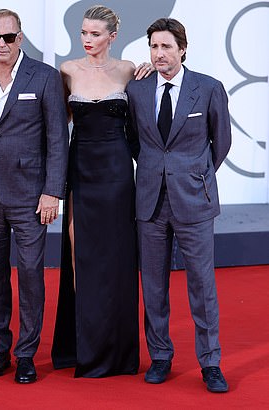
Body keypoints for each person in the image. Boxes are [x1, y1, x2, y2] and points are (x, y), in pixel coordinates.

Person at [125, 18, 232, 392]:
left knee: (202, 286)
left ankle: (210, 363)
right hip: (150, 201)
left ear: (182, 49)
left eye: (166, 46)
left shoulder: (208, 88)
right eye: (154, 46)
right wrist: (159, 169)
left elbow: (221, 143)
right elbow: (135, 141)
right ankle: (160, 356)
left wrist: (193, 173)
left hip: (195, 201)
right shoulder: (137, 91)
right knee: (153, 285)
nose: (159, 54)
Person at [51, 5, 154, 378]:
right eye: (83, 33)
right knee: (81, 256)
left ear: (112, 37)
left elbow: (145, 119)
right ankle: (85, 345)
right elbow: (56, 124)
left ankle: (117, 349)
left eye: (95, 34)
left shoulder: (130, 70)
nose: (87, 40)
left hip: (116, 172)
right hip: (81, 170)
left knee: (117, 258)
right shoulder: (67, 71)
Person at [0, 8, 69, 384]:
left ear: (21, 38)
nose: (2, 45)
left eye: (9, 37)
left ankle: (26, 353)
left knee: (29, 275)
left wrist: (52, 192)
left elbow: (58, 139)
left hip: (31, 196)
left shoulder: (45, 77)